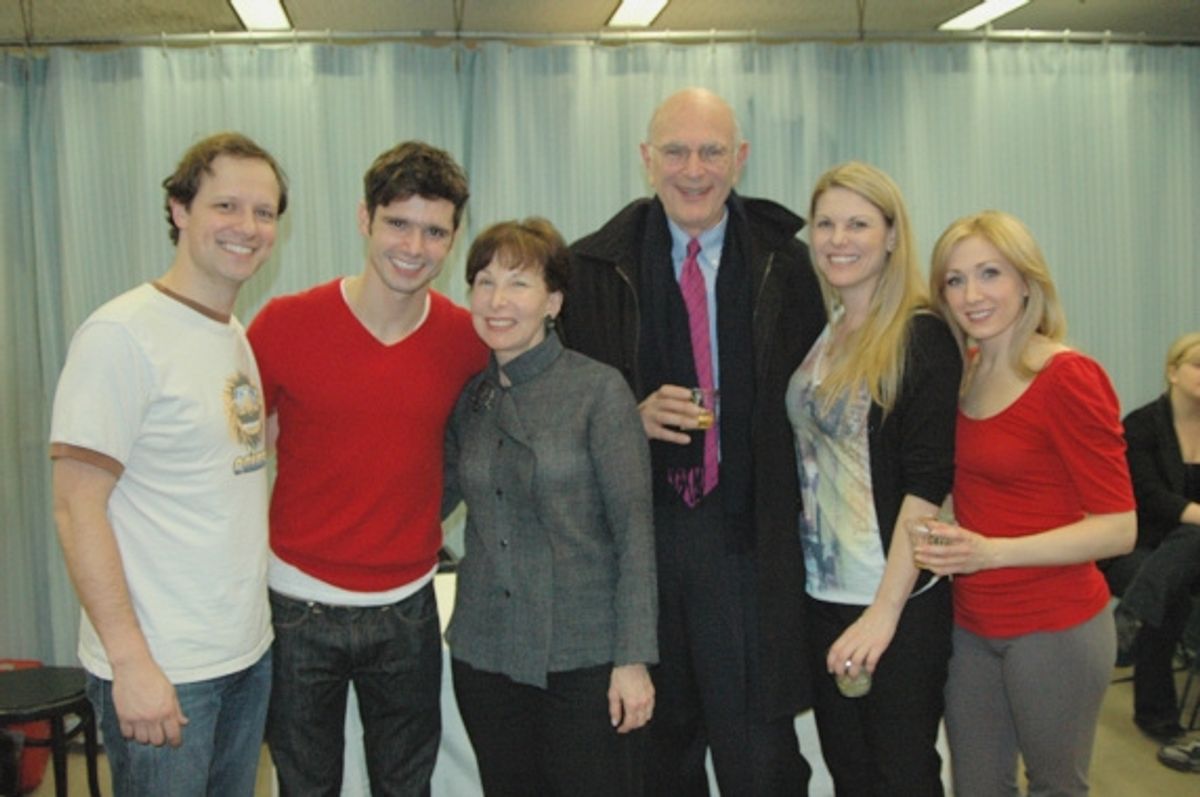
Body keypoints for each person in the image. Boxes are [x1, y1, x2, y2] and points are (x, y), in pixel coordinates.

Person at [561, 87, 825, 795]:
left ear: (740, 158)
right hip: (643, 547)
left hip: (749, 541)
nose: (694, 169)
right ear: (647, 160)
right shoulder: (591, 271)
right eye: (676, 151)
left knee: (761, 764)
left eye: (712, 151)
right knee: (655, 762)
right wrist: (627, 417)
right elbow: (563, 417)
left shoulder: (789, 266)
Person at [49, 132, 288, 796]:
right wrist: (131, 663)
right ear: (180, 210)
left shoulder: (231, 334)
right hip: (164, 668)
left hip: (244, 656)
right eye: (226, 206)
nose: (247, 227)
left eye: (264, 212)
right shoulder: (121, 335)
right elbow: (74, 507)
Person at [246, 141, 488, 796]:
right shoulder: (284, 324)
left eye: (434, 231)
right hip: (297, 607)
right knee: (306, 786)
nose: (414, 246)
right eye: (398, 223)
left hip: (409, 606)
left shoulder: (467, 339)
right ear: (364, 219)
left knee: (407, 787)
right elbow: (228, 454)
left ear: (454, 238)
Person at [922, 210, 1137, 796]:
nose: (972, 295)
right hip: (971, 623)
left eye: (990, 273)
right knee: (977, 788)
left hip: (1054, 625)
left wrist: (991, 552)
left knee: (1054, 787)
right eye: (955, 280)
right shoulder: (965, 371)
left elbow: (1119, 528)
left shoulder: (1067, 376)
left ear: (1026, 280)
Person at [442, 218, 657, 796]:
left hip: (583, 656)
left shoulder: (598, 391)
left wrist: (633, 659)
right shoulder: (471, 398)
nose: (497, 301)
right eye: (484, 282)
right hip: (485, 654)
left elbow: (635, 533)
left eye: (518, 283)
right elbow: (427, 500)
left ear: (553, 301)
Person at [787, 162, 959, 795]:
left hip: (896, 600)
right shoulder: (827, 332)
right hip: (824, 595)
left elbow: (926, 484)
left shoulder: (921, 334)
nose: (838, 239)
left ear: (891, 236)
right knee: (851, 775)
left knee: (902, 775)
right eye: (825, 224)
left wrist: (883, 615)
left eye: (858, 224)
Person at [1102, 330, 1200, 744]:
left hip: (1186, 553)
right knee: (1173, 593)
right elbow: (1147, 496)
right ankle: (1155, 714)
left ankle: (1132, 616)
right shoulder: (1141, 425)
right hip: (1138, 546)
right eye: (1198, 365)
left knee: (1190, 544)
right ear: (1173, 372)